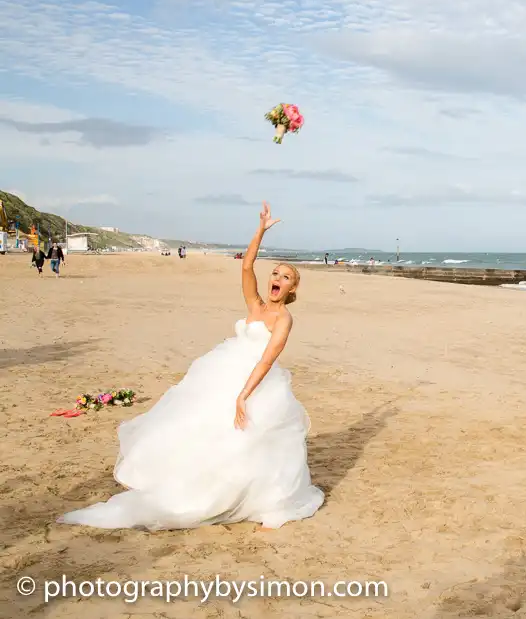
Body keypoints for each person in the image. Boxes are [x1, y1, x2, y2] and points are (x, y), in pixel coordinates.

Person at [57, 202, 325, 531]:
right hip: (224, 370)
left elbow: (268, 359)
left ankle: (258, 498)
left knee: (253, 439)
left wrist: (243, 395)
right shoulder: (254, 304)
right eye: (276, 273)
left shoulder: (284, 318)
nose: (278, 278)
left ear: (292, 288)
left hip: (256, 381)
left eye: (286, 277)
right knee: (199, 427)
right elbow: (246, 267)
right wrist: (261, 230)